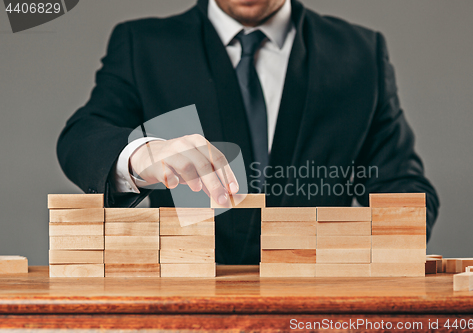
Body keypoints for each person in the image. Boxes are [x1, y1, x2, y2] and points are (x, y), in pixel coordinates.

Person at [57, 0, 439, 264]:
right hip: (186, 308)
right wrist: (143, 154)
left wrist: (358, 259)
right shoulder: (143, 45)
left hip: (318, 308)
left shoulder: (359, 53)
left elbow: (404, 187)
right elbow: (82, 136)